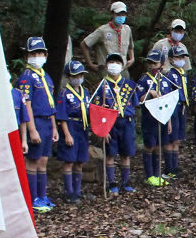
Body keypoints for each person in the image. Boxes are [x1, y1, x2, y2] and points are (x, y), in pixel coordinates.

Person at [18, 36, 59, 210]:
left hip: (47, 122)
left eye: (40, 52)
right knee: (32, 161)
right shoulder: (27, 77)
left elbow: (50, 104)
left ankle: (42, 195)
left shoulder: (46, 76)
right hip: (35, 122)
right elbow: (26, 104)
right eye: (34, 53)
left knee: (43, 161)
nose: (38, 56)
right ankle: (32, 198)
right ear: (28, 55)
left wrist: (54, 127)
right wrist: (31, 130)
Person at [92, 51, 138, 191]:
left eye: (118, 63)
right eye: (111, 63)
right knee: (111, 153)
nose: (114, 66)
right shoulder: (102, 86)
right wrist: (103, 129)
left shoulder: (129, 85)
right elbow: (97, 110)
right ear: (106, 66)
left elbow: (135, 104)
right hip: (110, 123)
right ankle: (112, 183)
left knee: (126, 153)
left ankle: (126, 182)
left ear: (123, 67)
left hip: (127, 122)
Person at [138, 49, 172, 186]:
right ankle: (149, 175)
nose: (153, 66)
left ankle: (157, 174)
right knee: (149, 145)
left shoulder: (165, 80)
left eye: (155, 63)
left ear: (162, 64)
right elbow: (139, 99)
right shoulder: (144, 80)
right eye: (150, 63)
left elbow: (168, 102)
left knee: (159, 146)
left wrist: (169, 121)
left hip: (163, 118)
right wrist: (149, 92)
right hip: (149, 119)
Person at [57, 60, 89, 201]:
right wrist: (67, 134)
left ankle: (78, 190)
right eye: (75, 75)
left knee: (80, 161)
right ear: (69, 77)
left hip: (83, 127)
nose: (78, 78)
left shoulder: (85, 92)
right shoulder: (64, 93)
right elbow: (62, 115)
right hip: (70, 126)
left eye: (81, 75)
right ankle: (69, 192)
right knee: (69, 160)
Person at [82, 1, 135, 73]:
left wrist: (132, 58)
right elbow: (84, 44)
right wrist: (91, 64)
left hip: (123, 69)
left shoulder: (127, 29)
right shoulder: (103, 30)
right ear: (112, 14)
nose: (121, 16)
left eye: (123, 14)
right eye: (118, 14)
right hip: (107, 69)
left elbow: (130, 47)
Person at [164, 44, 191, 177]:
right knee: (171, 138)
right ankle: (169, 168)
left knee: (178, 139)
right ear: (170, 59)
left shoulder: (183, 74)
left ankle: (175, 165)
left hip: (182, 107)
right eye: (177, 57)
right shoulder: (169, 75)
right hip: (173, 107)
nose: (181, 59)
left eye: (182, 57)